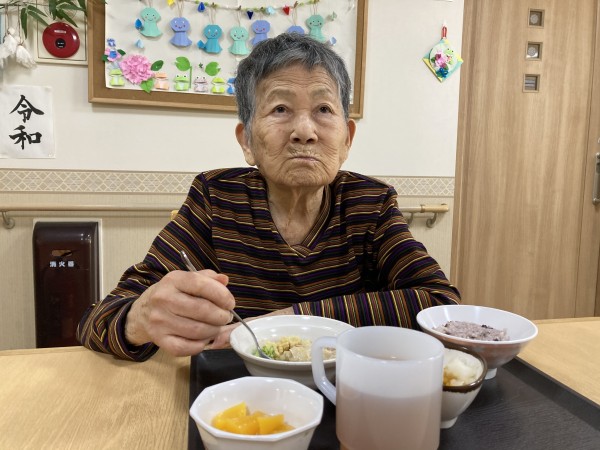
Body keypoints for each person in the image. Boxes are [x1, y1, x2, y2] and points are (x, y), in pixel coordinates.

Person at [77, 33, 460, 362]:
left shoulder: (370, 204)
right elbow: (98, 321)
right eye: (280, 109)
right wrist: (141, 318)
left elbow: (441, 305)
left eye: (323, 109)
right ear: (246, 141)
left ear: (347, 139)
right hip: (241, 398)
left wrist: (288, 322)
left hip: (346, 395)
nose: (304, 131)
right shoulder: (216, 199)